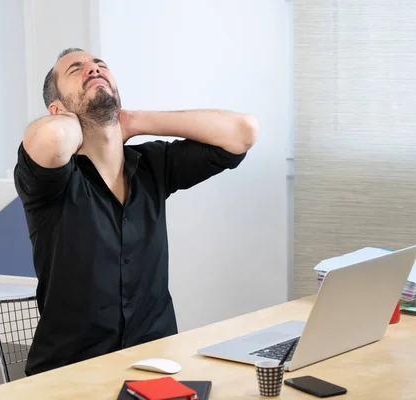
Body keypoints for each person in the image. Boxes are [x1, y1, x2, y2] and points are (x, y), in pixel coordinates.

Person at [13, 47, 258, 376]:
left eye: (100, 66)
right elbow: (53, 138)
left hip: (155, 364)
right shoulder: (50, 181)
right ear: (56, 109)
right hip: (70, 374)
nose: (94, 69)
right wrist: (72, 120)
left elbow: (243, 132)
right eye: (76, 69)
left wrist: (134, 121)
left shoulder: (152, 165)